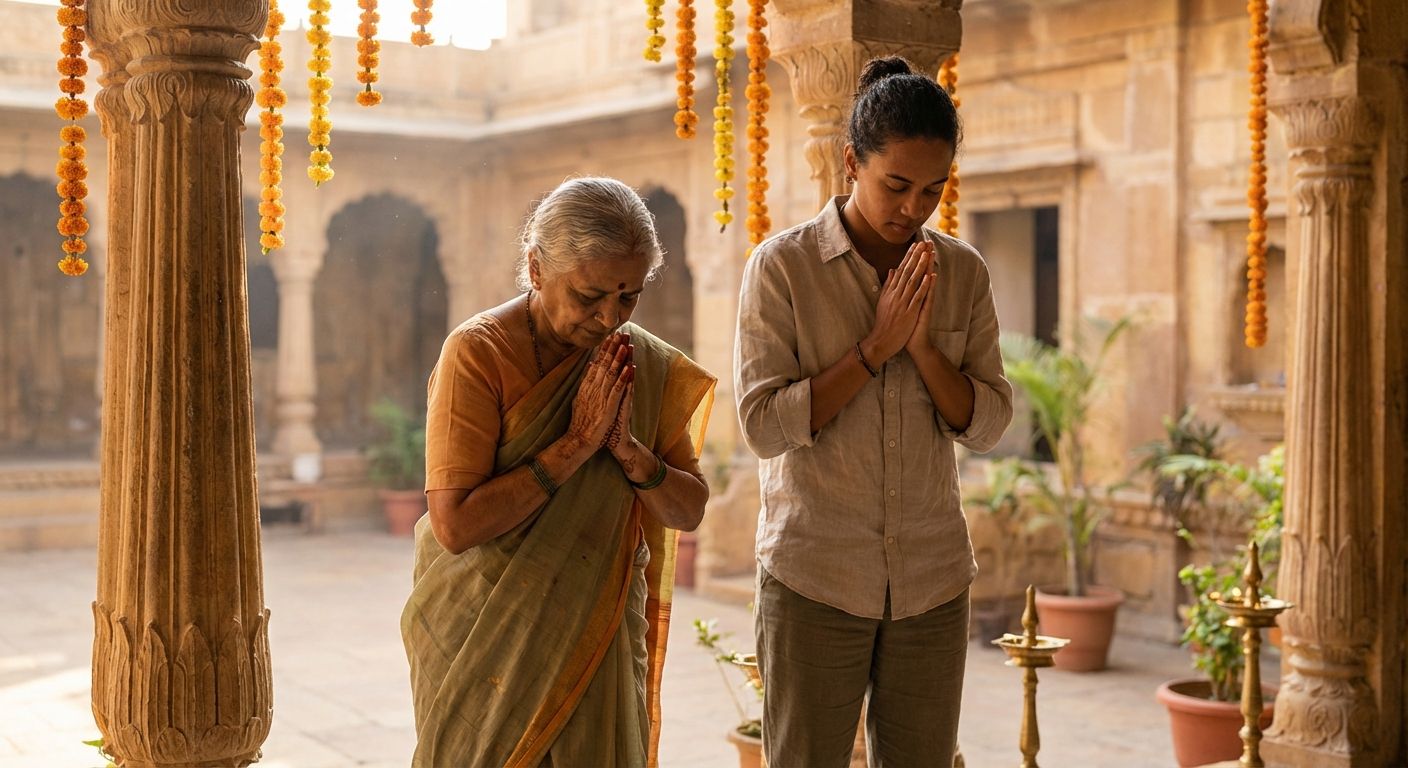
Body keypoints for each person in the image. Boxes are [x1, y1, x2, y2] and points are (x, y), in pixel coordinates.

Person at [733, 56, 1014, 767]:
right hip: (814, 576)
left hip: (931, 578)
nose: (913, 208)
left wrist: (920, 349)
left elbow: (987, 423)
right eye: (896, 185)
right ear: (851, 162)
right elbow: (763, 426)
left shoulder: (963, 273)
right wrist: (872, 349)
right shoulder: (782, 268)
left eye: (931, 189)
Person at [402, 176, 716, 767]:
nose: (608, 318)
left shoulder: (637, 362)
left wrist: (629, 452)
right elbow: (455, 525)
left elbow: (690, 510)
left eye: (628, 298)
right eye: (589, 295)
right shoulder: (478, 353)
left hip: (595, 634)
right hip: (483, 631)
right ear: (537, 268)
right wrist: (574, 445)